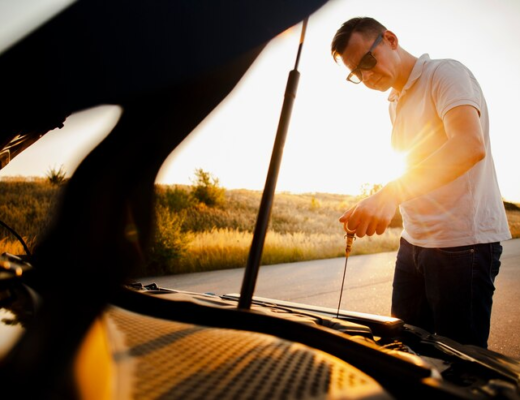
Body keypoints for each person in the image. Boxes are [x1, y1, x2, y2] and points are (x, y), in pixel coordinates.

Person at [330, 17, 511, 348]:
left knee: (457, 367)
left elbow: (469, 145)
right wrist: (377, 198)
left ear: (391, 39)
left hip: (461, 244)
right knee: (406, 353)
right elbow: (415, 165)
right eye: (357, 73)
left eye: (368, 61)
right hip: (413, 243)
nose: (366, 76)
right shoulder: (394, 102)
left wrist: (391, 194)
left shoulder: (445, 74)